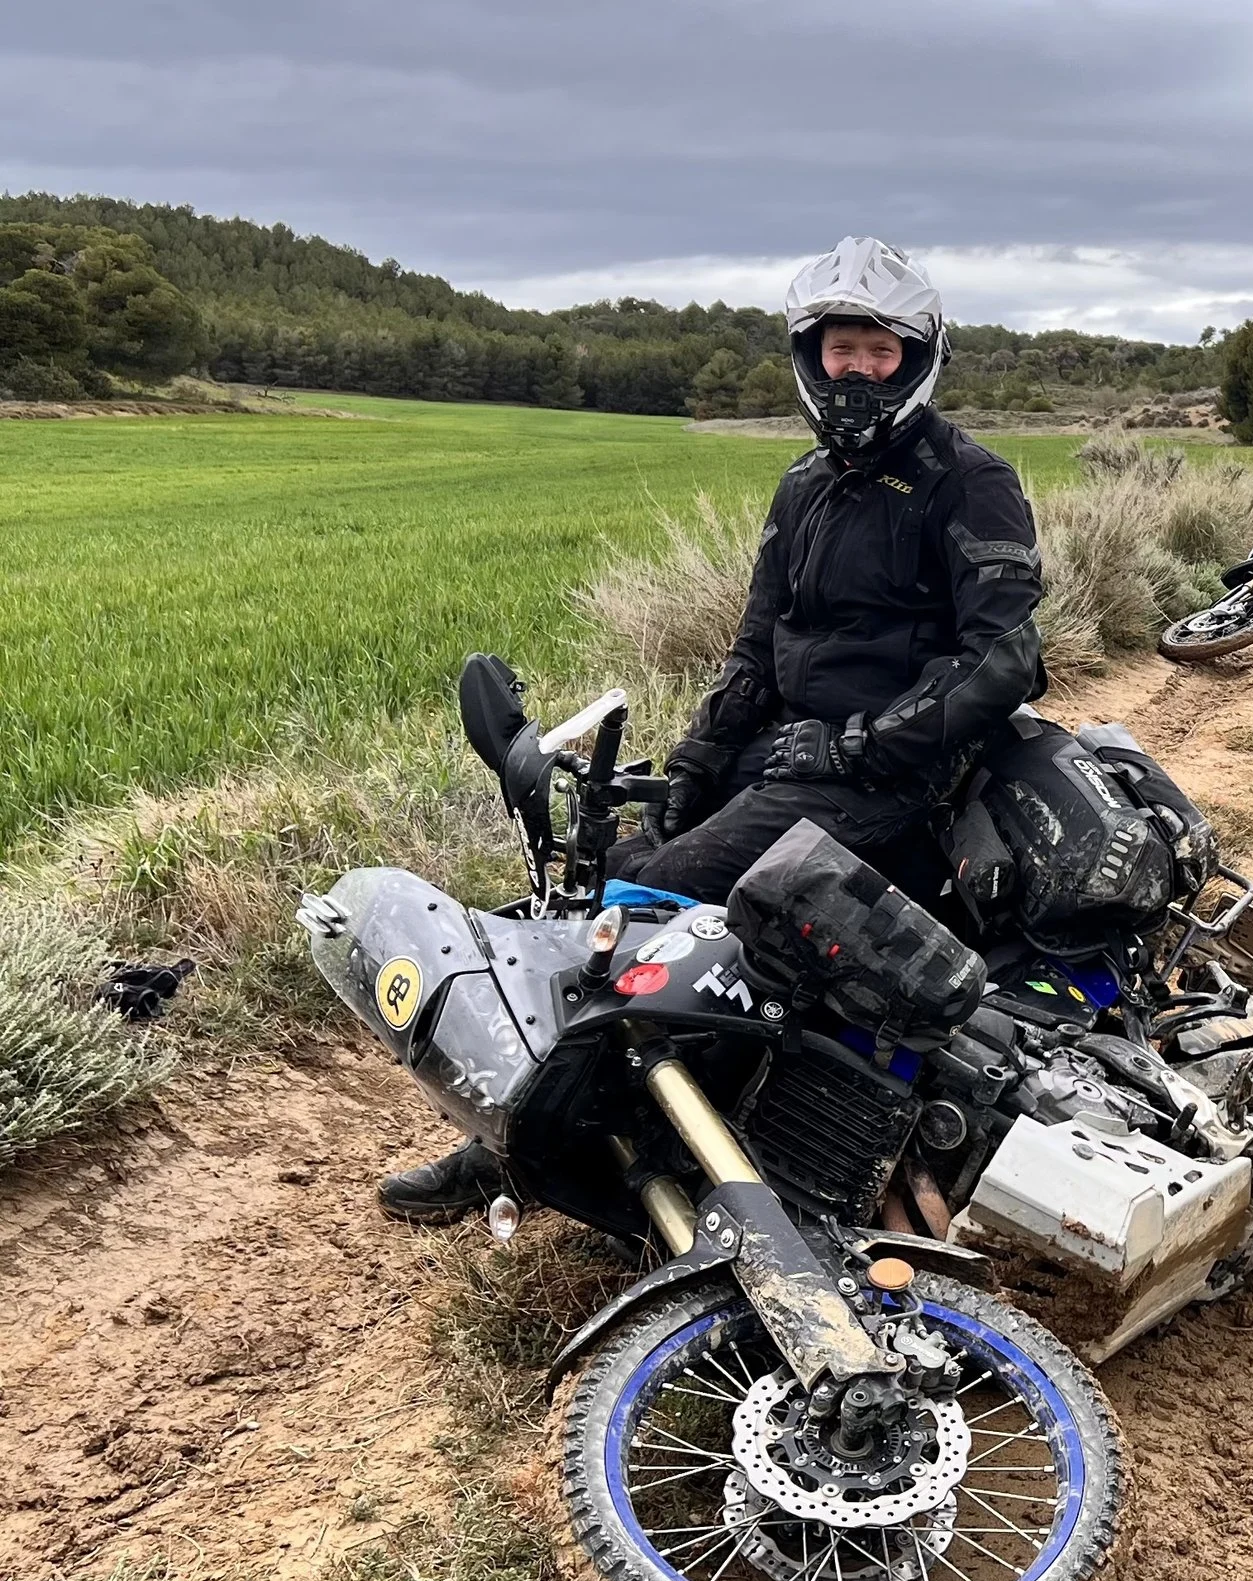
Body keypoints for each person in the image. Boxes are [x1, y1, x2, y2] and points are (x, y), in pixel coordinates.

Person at [379, 238, 1047, 1223]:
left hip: (894, 777)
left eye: (879, 351)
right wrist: (697, 765)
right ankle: (547, 1127)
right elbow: (753, 651)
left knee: (652, 901)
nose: (857, 370)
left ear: (916, 359)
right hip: (787, 759)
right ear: (810, 357)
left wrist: (857, 745)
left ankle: (555, 1153)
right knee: (595, 891)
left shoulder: (966, 480)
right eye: (840, 349)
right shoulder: (802, 487)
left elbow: (1004, 659)